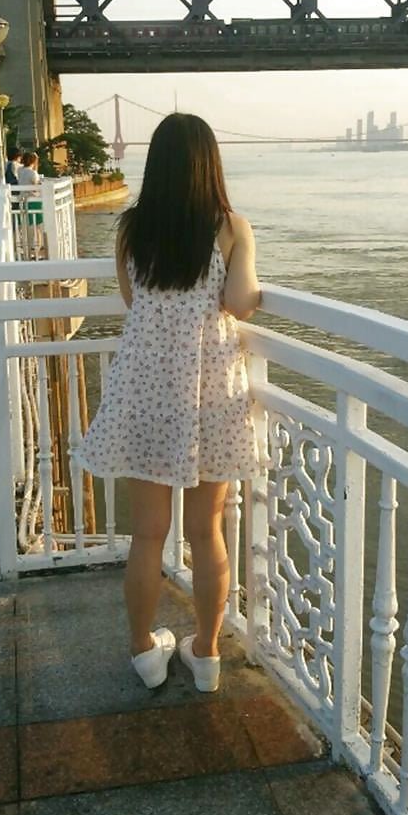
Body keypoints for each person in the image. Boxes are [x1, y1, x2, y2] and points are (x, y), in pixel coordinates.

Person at [78, 113, 261, 693]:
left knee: (148, 533)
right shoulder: (229, 227)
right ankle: (206, 654)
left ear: (155, 164)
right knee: (207, 532)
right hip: (210, 394)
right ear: (210, 164)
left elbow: (132, 300)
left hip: (145, 391)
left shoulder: (132, 229)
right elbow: (241, 301)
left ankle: (143, 651)